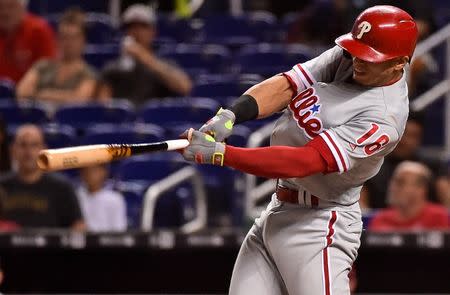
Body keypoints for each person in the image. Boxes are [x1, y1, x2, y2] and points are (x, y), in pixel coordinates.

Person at [180, 6, 418, 295]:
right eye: (357, 49)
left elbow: (303, 161)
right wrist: (229, 116)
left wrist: (222, 154)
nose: (358, 60)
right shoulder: (349, 59)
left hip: (320, 226)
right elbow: (287, 85)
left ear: (399, 63)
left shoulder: (385, 116)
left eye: (369, 56)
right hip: (277, 209)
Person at [97, 4, 192, 105]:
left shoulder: (165, 64)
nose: (136, 32)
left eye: (143, 26)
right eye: (131, 27)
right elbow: (103, 106)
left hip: (155, 119)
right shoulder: (112, 68)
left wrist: (145, 58)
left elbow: (185, 87)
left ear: (153, 31)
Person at [0, 124, 85, 230]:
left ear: (44, 150)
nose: (28, 152)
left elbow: (79, 227)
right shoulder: (2, 185)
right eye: (23, 145)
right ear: (13, 150)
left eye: (34, 145)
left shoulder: (62, 187)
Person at [16, 8, 97, 108]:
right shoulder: (42, 66)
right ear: (57, 39)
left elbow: (80, 100)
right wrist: (65, 97)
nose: (68, 43)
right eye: (64, 37)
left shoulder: (89, 74)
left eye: (73, 37)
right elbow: (22, 92)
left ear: (83, 41)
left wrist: (43, 94)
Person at [363, 113, 448, 208]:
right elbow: (362, 211)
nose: (406, 141)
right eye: (404, 134)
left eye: (414, 136)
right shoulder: (370, 168)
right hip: (381, 221)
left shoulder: (434, 168)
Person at [369, 161, 449, 231]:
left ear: (421, 188)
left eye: (400, 182)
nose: (392, 187)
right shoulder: (381, 219)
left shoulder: (437, 216)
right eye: (393, 182)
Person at [0, 0, 56, 83]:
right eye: (1, 7)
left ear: (23, 8)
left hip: (30, 92)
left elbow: (49, 71)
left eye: (11, 7)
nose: (5, 13)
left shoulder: (39, 31)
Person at [77, 164, 127, 232]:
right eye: (86, 170)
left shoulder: (115, 199)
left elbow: (119, 229)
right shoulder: (76, 196)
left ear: (104, 172)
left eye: (94, 170)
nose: (89, 174)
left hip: (108, 240)